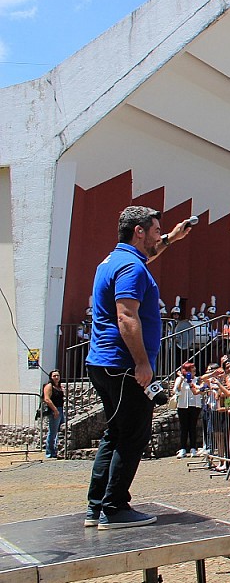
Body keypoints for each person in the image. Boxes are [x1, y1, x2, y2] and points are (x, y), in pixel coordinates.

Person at [85, 205, 192, 529]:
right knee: (133, 434)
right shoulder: (130, 268)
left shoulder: (115, 260)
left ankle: (97, 506)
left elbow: (147, 257)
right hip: (123, 365)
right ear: (139, 231)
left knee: (115, 433)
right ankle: (115, 507)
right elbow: (126, 316)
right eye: (156, 230)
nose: (159, 235)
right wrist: (142, 363)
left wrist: (172, 238)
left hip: (104, 363)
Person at [172, 362, 203, 457]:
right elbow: (176, 391)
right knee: (184, 427)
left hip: (194, 405)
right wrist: (181, 380)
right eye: (192, 369)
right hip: (183, 406)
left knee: (192, 427)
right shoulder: (180, 379)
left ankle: (193, 448)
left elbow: (199, 389)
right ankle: (183, 448)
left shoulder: (197, 380)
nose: (194, 370)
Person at [43, 369, 66, 459]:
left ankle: (56, 450)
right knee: (52, 432)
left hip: (60, 409)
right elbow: (47, 399)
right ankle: (50, 452)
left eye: (58, 376)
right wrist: (55, 410)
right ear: (51, 377)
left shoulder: (59, 387)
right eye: (54, 376)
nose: (56, 377)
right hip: (54, 410)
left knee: (59, 431)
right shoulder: (49, 386)